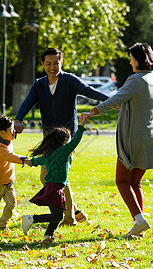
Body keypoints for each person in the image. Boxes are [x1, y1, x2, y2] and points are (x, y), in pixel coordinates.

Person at [14, 47, 109, 226]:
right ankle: (74, 212)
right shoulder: (39, 84)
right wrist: (18, 119)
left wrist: (111, 101)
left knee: (57, 177)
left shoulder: (69, 80)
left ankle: (70, 217)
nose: (52, 67)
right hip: (49, 139)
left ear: (61, 63)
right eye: (48, 63)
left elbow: (89, 91)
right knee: (49, 177)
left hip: (66, 139)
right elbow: (28, 102)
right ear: (42, 64)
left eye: (56, 63)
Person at [81, 42, 153, 239]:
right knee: (136, 182)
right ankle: (139, 225)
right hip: (150, 136)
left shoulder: (135, 79)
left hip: (133, 138)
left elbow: (113, 100)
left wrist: (91, 113)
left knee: (122, 180)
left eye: (131, 58)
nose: (130, 61)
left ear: (138, 59)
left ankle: (139, 220)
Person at [21, 114, 88, 242]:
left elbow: (33, 162)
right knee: (57, 215)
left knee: (57, 216)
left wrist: (25, 161)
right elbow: (76, 141)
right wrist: (81, 126)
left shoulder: (48, 154)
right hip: (55, 189)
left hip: (50, 188)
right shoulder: (63, 151)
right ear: (63, 141)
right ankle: (31, 219)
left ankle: (48, 236)